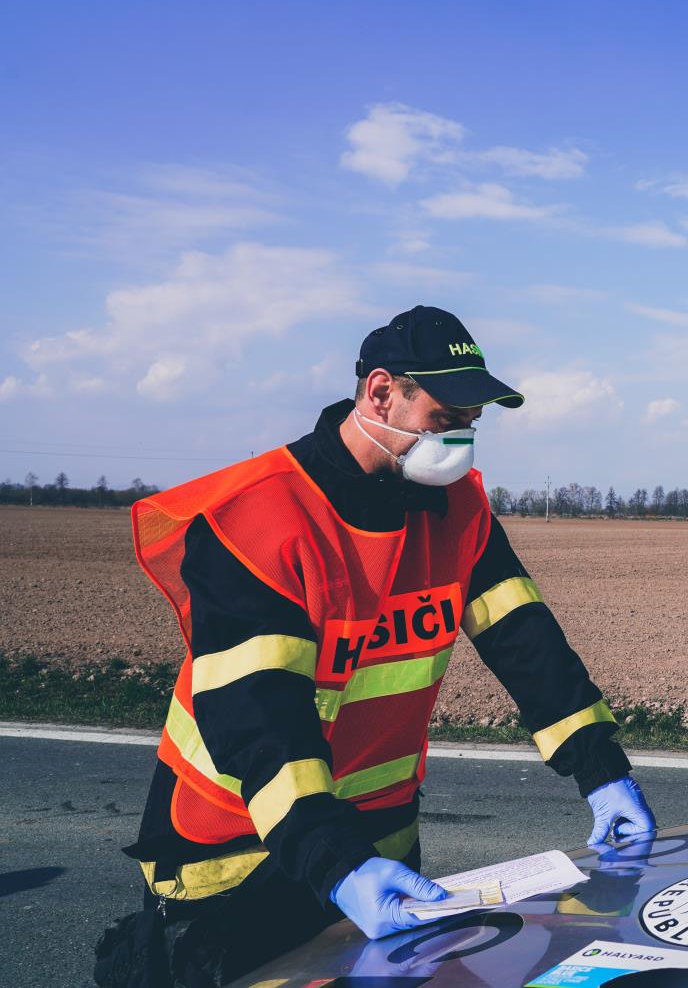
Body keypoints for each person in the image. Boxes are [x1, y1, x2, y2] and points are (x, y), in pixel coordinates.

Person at [95, 306, 655, 987]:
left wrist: (603, 771)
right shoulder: (260, 517)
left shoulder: (457, 511)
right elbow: (259, 718)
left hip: (377, 847)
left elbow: (527, 644)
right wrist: (337, 864)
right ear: (382, 392)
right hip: (239, 857)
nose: (460, 442)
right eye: (445, 419)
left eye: (471, 426)